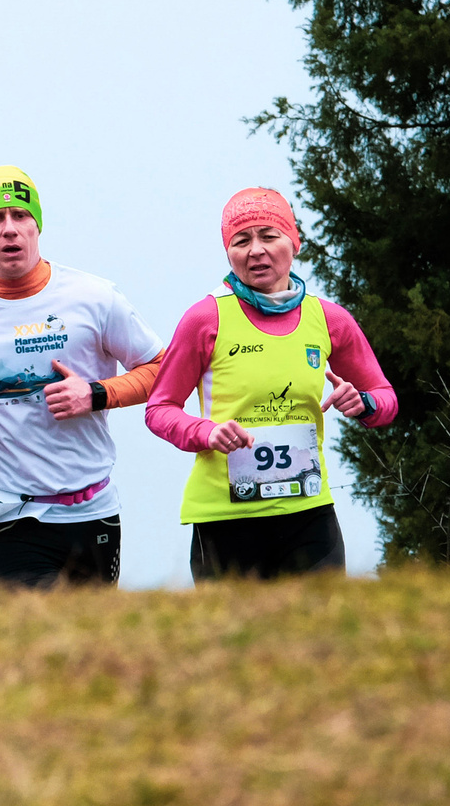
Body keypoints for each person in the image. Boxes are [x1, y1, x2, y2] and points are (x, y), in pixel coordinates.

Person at [0, 165, 165, 589]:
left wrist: (96, 393)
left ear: (37, 225)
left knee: (95, 642)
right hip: (10, 512)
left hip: (92, 506)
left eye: (20, 216)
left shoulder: (95, 298)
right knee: (31, 639)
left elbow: (160, 370)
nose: (9, 229)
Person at [146, 187, 398, 580]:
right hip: (225, 516)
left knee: (322, 636)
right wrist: (206, 432)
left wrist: (363, 403)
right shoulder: (204, 319)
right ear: (228, 252)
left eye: (268, 235)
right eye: (241, 241)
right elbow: (159, 409)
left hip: (308, 513)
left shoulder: (329, 319)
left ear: (294, 242)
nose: (255, 250)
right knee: (236, 642)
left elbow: (386, 400)